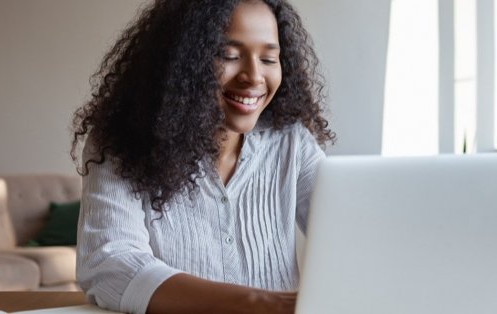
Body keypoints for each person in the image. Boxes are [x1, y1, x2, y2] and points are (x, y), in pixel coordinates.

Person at [71, 0, 335, 313]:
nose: (254, 76)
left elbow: (352, 232)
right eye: (229, 56)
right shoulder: (120, 143)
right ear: (182, 61)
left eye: (268, 58)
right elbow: (111, 264)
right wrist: (260, 303)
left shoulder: (291, 141)